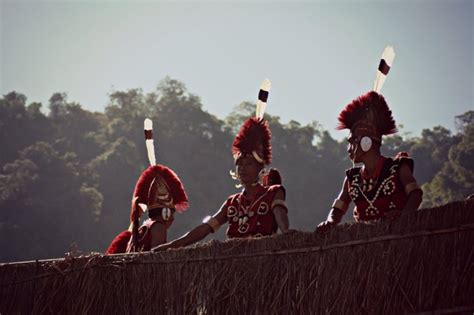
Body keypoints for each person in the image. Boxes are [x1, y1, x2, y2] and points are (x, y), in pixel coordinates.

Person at [153, 79, 291, 251]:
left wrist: (288, 234)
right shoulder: (232, 203)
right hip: (233, 264)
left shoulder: (273, 192)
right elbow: (207, 227)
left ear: (259, 168)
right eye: (240, 164)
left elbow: (280, 216)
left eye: (249, 164)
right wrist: (175, 244)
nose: (243, 169)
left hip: (263, 260)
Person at [316, 47, 422, 233]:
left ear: (367, 141)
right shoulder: (352, 179)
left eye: (352, 141)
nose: (349, 148)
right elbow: (338, 208)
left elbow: (415, 194)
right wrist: (330, 222)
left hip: (398, 238)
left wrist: (403, 218)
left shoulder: (397, 168)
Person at [105, 119, 189, 254]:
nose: (173, 219)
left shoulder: (143, 227)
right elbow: (155, 260)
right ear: (165, 213)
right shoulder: (158, 227)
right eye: (172, 212)